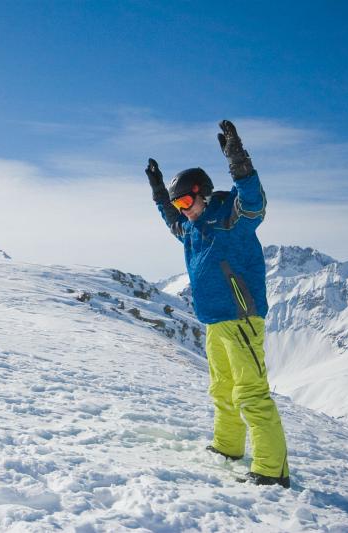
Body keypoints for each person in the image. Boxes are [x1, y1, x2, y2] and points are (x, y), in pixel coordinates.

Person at [145, 120, 290, 488]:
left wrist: (239, 162)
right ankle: (227, 447)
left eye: (186, 201)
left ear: (203, 193)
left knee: (251, 393)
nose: (182, 209)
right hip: (213, 320)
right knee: (222, 389)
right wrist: (160, 193)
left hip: (241, 318)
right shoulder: (191, 226)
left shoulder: (231, 216)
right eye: (179, 204)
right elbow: (170, 222)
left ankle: (271, 471)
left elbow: (255, 204)